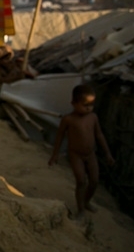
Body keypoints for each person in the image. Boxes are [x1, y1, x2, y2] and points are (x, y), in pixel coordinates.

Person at [48, 83, 115, 214]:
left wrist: (107, 153)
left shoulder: (93, 117)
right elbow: (60, 136)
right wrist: (55, 154)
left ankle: (86, 201)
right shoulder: (68, 119)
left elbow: (99, 135)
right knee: (81, 181)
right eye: (85, 105)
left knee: (94, 181)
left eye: (91, 105)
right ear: (73, 103)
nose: (89, 108)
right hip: (76, 155)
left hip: (90, 154)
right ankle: (81, 210)